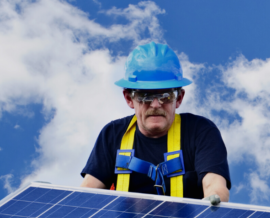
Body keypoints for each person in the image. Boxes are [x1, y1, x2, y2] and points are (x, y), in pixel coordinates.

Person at [80, 42, 231, 204]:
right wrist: (53, 201)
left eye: (165, 96)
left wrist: (214, 201)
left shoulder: (200, 132)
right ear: (129, 98)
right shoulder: (112, 135)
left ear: (179, 98)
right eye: (145, 96)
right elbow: (88, 192)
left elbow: (214, 184)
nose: (156, 105)